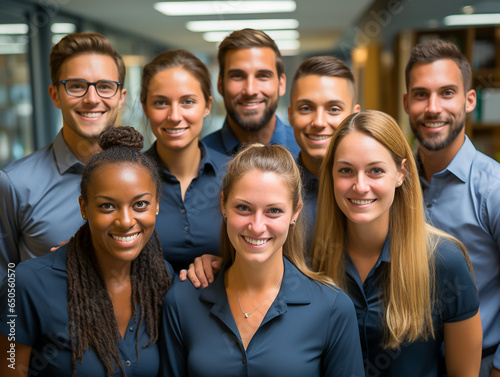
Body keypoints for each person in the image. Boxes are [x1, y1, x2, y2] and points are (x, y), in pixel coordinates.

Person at [161, 144, 364, 377]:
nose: (257, 226)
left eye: (273, 211)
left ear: (295, 212)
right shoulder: (182, 301)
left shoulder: (333, 308)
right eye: (243, 208)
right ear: (223, 204)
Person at [309, 110, 481, 376]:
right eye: (346, 170)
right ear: (331, 174)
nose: (360, 185)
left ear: (400, 173)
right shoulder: (308, 257)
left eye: (375, 170)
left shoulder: (445, 261)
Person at [0, 126, 172, 377]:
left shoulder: (161, 279)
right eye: (107, 206)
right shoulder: (25, 284)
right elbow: (10, 369)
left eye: (140, 204)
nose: (125, 221)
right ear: (84, 207)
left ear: (156, 205)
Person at [403, 39, 500, 377]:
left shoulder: (493, 188)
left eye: (447, 93)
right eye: (420, 94)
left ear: (469, 100)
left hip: (483, 364)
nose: (433, 107)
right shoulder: (394, 183)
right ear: (406, 103)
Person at [0, 32, 127, 280]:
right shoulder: (14, 184)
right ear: (55, 95)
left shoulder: (143, 176)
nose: (92, 99)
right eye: (77, 86)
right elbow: (6, 281)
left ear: (120, 98)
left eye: (104, 87)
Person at [140, 49, 228, 272]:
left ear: (207, 106)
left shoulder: (235, 174)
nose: (175, 116)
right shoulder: (129, 176)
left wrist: (227, 263)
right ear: (145, 107)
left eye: (187, 102)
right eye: (161, 103)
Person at [288, 56, 360, 250]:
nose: (319, 122)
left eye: (334, 109)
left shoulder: (373, 190)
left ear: (354, 116)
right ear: (290, 115)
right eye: (305, 108)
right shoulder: (278, 191)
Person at [203, 28, 300, 157]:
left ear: (281, 84)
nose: (250, 90)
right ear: (220, 84)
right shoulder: (199, 158)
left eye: (263, 76)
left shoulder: (306, 153)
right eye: (237, 76)